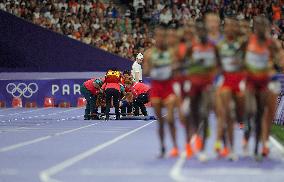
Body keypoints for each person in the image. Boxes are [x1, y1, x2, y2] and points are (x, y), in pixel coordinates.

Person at [243, 16, 283, 159]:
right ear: (254, 27)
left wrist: (275, 63)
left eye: (263, 26)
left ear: (267, 28)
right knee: (250, 110)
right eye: (258, 26)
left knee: (263, 114)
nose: (260, 29)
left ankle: (260, 146)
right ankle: (246, 136)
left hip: (265, 82)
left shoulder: (272, 44)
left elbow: (280, 61)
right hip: (250, 82)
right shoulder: (247, 40)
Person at [182, 21, 219, 161]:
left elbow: (219, 64)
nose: (203, 35)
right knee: (191, 115)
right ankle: (189, 145)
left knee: (204, 114)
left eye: (205, 33)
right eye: (200, 33)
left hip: (207, 86)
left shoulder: (213, 47)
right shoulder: (191, 48)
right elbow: (184, 64)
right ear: (198, 34)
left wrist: (213, 77)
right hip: (193, 85)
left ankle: (203, 149)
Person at [143, 27, 178, 158]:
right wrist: (152, 66)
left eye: (162, 36)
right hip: (156, 88)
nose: (160, 39)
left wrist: (171, 67)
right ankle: (163, 147)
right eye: (158, 37)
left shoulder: (172, 52)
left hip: (169, 88)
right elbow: (145, 72)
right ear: (154, 39)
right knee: (160, 122)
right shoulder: (149, 54)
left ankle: (175, 146)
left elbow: (177, 69)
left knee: (170, 119)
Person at [216, 17, 246, 161]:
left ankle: (245, 133)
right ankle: (229, 148)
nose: (229, 29)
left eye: (232, 26)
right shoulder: (220, 45)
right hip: (226, 81)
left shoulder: (243, 43)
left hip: (240, 81)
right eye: (227, 26)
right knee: (227, 115)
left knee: (240, 115)